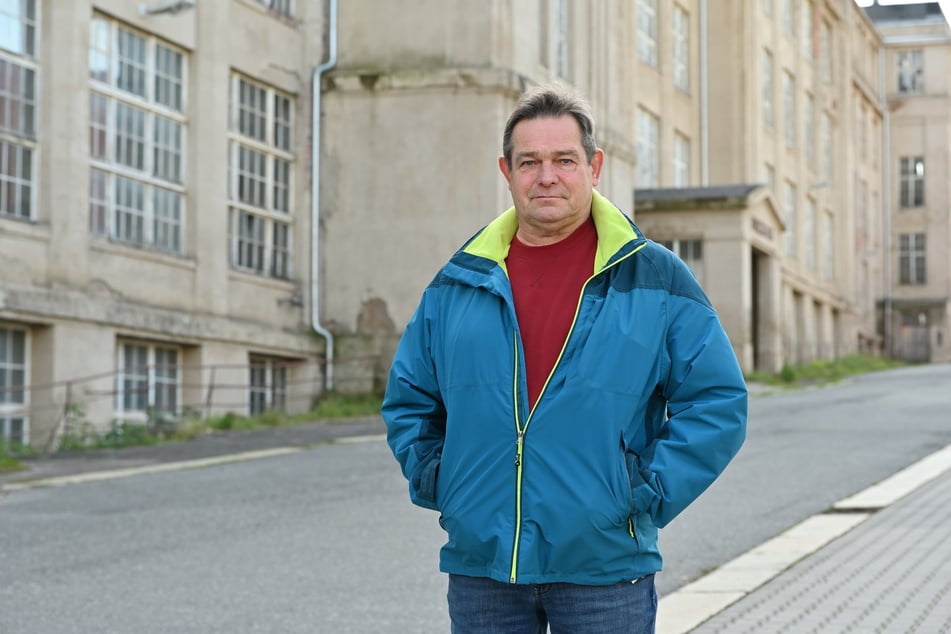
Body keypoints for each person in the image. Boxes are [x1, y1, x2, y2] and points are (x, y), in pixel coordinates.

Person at [382, 84, 748, 634]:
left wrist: (640, 497)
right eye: (529, 161)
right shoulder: (459, 281)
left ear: (594, 167)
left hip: (603, 571)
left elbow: (717, 401)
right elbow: (410, 400)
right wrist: (445, 484)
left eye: (564, 160)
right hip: (485, 571)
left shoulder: (655, 277)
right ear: (506, 171)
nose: (546, 176)